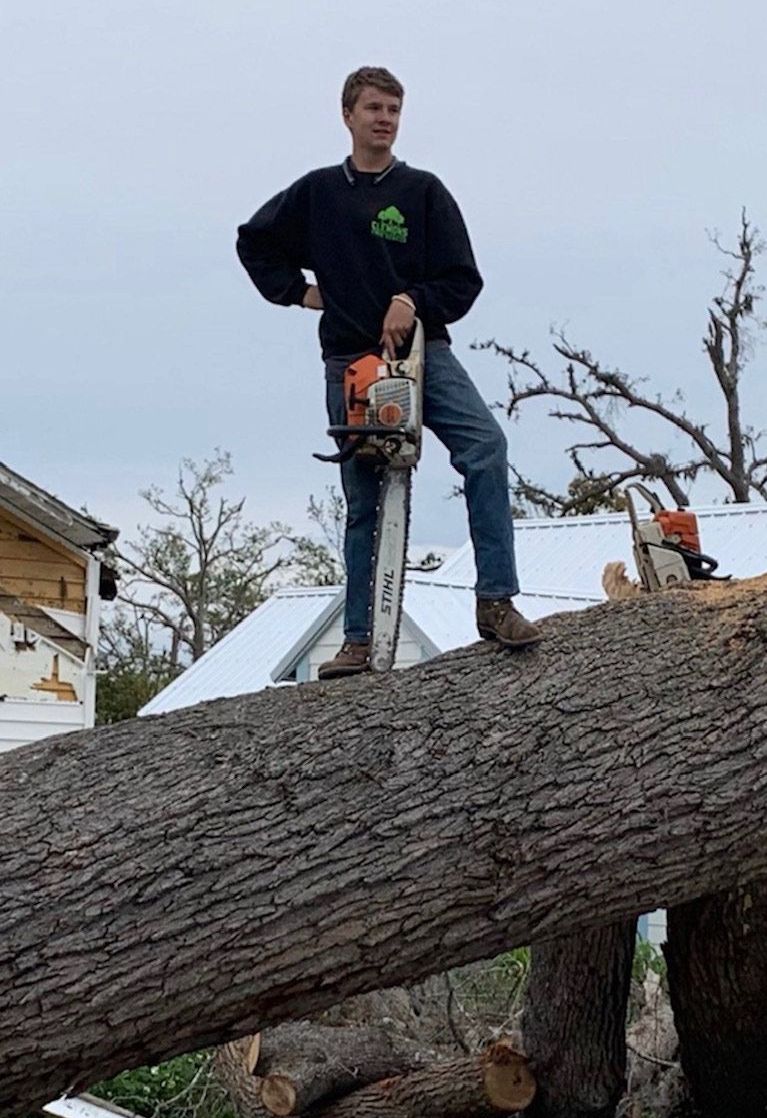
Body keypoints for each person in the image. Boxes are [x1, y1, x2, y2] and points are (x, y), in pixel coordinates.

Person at [237, 66, 542, 680]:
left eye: (394, 110)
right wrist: (301, 294)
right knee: (363, 501)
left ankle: (496, 600)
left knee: (486, 445)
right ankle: (357, 638)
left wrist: (413, 301)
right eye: (374, 108)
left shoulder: (424, 192)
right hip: (352, 360)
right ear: (347, 115)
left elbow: (463, 280)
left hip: (425, 357)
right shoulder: (318, 194)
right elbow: (253, 242)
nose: (384, 119)